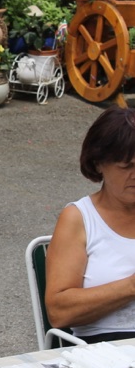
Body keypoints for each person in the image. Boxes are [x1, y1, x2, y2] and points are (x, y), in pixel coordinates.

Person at [46, 106, 135, 343]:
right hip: (105, 349)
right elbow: (58, 312)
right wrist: (130, 287)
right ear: (98, 164)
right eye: (126, 166)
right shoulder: (79, 218)